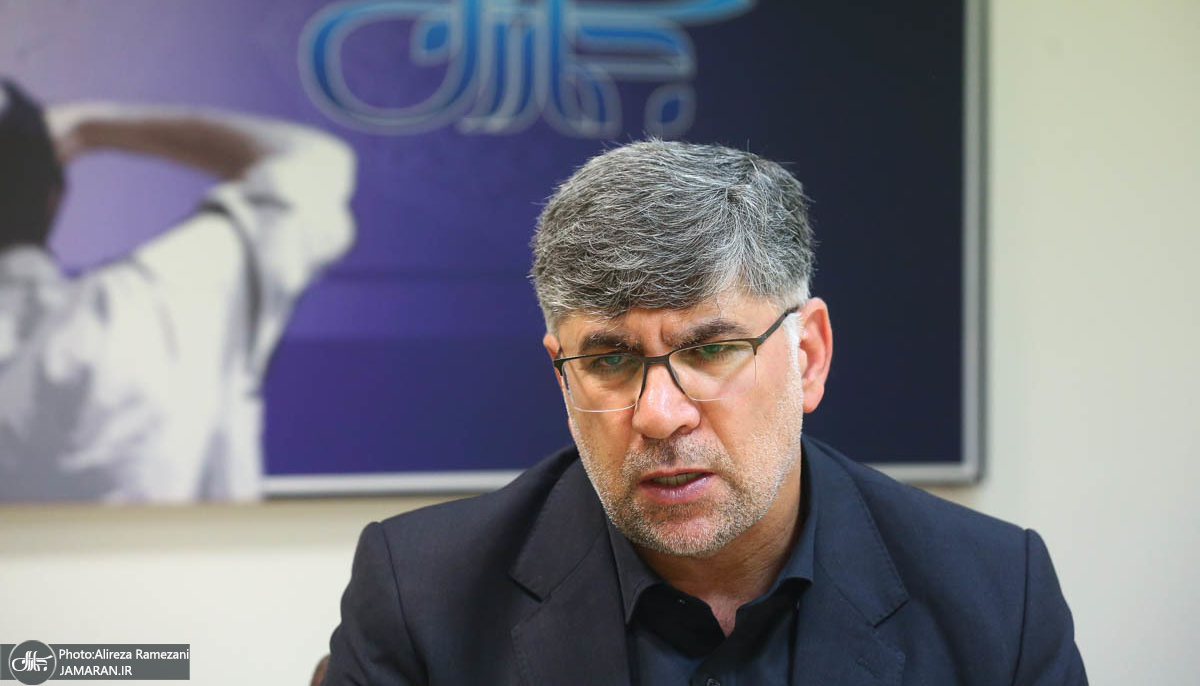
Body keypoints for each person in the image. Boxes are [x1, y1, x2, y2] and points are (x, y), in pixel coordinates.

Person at [322, 140, 1086, 684]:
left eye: (711, 349)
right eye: (609, 360)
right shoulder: (421, 597)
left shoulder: (996, 598)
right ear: (560, 375)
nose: (659, 415)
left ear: (810, 354)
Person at [0, 80, 355, 501]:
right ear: (54, 197)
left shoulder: (138, 307)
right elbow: (316, 166)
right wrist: (88, 126)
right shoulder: (145, 310)